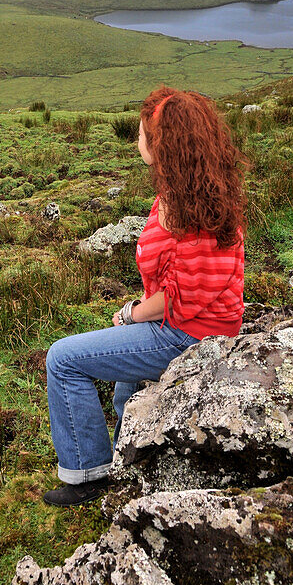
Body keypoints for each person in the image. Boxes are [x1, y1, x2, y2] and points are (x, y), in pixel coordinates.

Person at [43, 86, 247, 507]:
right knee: (125, 390)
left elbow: (180, 299)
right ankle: (128, 463)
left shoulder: (190, 210)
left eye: (141, 134)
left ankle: (87, 474)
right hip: (199, 325)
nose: (136, 141)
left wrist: (132, 313)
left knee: (62, 359)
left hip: (189, 333)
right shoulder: (193, 191)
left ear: (162, 144)